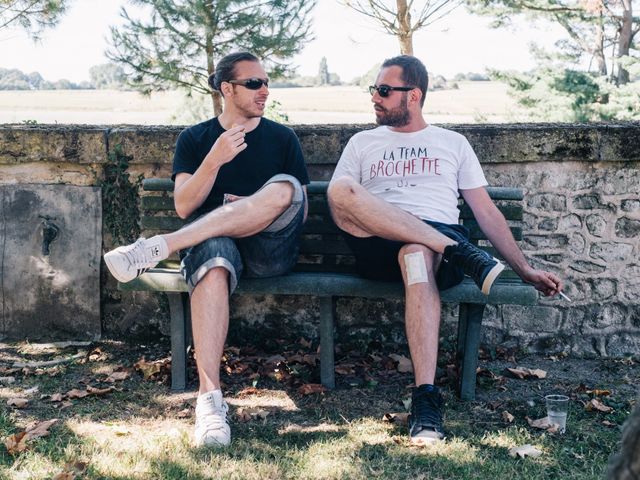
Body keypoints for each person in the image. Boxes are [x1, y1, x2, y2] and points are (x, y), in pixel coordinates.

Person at [327, 55, 563, 445]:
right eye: (374, 89)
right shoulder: (362, 143)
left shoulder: (452, 143)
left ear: (414, 95)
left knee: (417, 254)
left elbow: (485, 210)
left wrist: (524, 269)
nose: (375, 97)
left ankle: (425, 398)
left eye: (384, 90)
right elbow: (341, 204)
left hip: (429, 256)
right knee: (338, 188)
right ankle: (459, 251)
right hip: (377, 245)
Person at [103, 51, 309, 447]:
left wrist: (251, 206)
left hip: (270, 249)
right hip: (218, 248)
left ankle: (159, 247)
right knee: (213, 257)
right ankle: (210, 402)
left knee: (283, 187)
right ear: (227, 89)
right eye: (254, 83)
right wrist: (213, 161)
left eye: (266, 82)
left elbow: (296, 208)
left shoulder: (282, 138)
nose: (264, 90)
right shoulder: (196, 139)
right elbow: (183, 205)